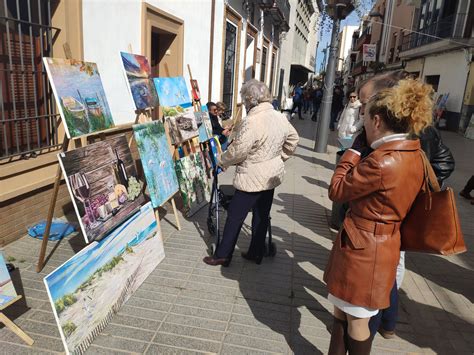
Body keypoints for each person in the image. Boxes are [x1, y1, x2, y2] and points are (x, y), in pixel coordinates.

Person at [324, 77, 433, 354]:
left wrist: (353, 151)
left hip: (365, 251)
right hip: (375, 245)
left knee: (357, 322)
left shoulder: (383, 161)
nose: (362, 125)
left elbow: (336, 190)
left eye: (364, 118)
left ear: (376, 122)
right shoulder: (413, 152)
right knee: (342, 313)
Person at [351, 71, 455, 340]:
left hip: (392, 218)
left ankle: (376, 326)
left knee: (387, 274)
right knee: (387, 272)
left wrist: (413, 188)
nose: (362, 109)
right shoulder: (376, 130)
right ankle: (386, 323)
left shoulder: (410, 130)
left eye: (365, 103)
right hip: (378, 218)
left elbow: (444, 162)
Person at [203, 79, 299, 267]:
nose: (244, 104)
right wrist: (280, 158)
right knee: (262, 215)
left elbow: (238, 150)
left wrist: (222, 161)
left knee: (235, 216)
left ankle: (223, 254)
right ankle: (256, 252)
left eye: (245, 100)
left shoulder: (252, 121)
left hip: (252, 177)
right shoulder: (279, 116)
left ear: (250, 100)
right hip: (270, 176)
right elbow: (293, 139)